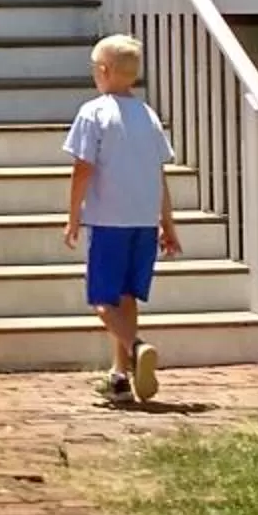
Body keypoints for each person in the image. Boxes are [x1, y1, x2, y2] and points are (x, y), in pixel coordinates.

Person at [64, 34, 183, 405]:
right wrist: (168, 224)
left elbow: (82, 169)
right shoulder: (148, 116)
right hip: (144, 221)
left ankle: (136, 347)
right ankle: (119, 376)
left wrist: (72, 216)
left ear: (103, 71)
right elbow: (159, 174)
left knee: (102, 298)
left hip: (108, 220)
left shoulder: (93, 112)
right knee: (128, 297)